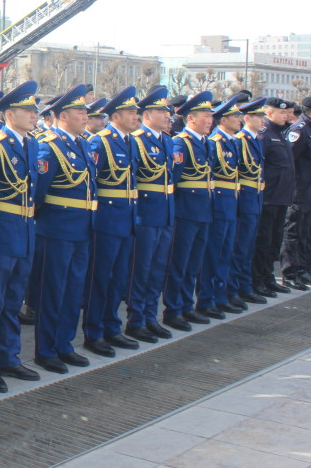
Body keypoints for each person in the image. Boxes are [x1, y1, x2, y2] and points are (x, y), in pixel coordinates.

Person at [0, 81, 41, 392]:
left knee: (13, 300)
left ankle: (9, 356)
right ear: (10, 114)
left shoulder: (32, 145)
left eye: (35, 111)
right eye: (28, 111)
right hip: (0, 233)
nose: (34, 115)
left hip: (25, 230)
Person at [31, 84, 97, 374]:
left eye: (85, 111)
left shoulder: (82, 144)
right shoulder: (49, 146)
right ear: (62, 115)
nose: (85, 116)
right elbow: (38, 195)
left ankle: (64, 344)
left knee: (73, 291)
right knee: (52, 291)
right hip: (56, 230)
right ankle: (46, 350)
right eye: (80, 111)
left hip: (81, 229)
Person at [83, 86, 140, 357]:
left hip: (126, 218)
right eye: (131, 112)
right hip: (106, 220)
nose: (136, 117)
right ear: (116, 116)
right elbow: (91, 184)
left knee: (118, 279)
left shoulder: (130, 141)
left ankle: (111, 326)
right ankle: (94, 332)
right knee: (100, 278)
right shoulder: (101, 142)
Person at [125, 86, 176, 343]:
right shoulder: (137, 140)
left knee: (158, 269)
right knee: (141, 269)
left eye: (167, 111)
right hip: (145, 214)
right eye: (161, 111)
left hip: (165, 213)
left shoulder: (167, 140)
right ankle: (136, 320)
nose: (167, 116)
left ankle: (150, 316)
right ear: (147, 115)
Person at [162, 91, 215, 332]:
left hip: (203, 210)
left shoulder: (205, 143)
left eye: (211, 116)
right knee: (179, 262)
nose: (210, 121)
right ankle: (173, 309)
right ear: (191, 118)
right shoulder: (181, 143)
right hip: (185, 212)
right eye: (206, 116)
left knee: (193, 263)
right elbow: (172, 181)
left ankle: (186, 304)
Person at [196, 96, 244, 320]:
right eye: (235, 116)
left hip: (230, 203)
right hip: (217, 204)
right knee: (213, 254)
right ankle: (207, 299)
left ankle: (220, 295)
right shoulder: (215, 142)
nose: (239, 120)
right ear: (224, 119)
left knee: (226, 253)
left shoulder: (232, 142)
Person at [281, 96, 311, 289]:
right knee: (295, 234)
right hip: (301, 193)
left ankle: (304, 269)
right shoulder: (299, 130)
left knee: (309, 233)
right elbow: (290, 161)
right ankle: (290, 272)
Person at [252, 97, 296, 294]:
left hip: (281, 196)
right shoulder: (264, 135)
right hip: (269, 197)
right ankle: (257, 279)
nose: (285, 116)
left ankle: (268, 276)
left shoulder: (281, 133)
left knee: (275, 241)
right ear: (269, 113)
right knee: (263, 240)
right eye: (281, 112)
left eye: (286, 112)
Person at [230, 98, 269, 304]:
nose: (263, 120)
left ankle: (245, 286)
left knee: (249, 246)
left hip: (255, 197)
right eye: (259, 116)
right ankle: (235, 288)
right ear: (247, 118)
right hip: (244, 198)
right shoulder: (240, 140)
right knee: (240, 246)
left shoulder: (256, 139)